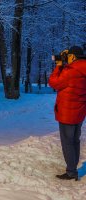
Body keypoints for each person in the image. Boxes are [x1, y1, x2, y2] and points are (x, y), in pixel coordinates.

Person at [49, 46, 86, 181]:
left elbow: (53, 82)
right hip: (79, 112)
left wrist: (59, 66)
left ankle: (71, 172)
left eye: (68, 56)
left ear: (73, 57)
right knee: (75, 141)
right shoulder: (82, 68)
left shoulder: (71, 71)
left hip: (67, 114)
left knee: (67, 143)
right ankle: (73, 168)